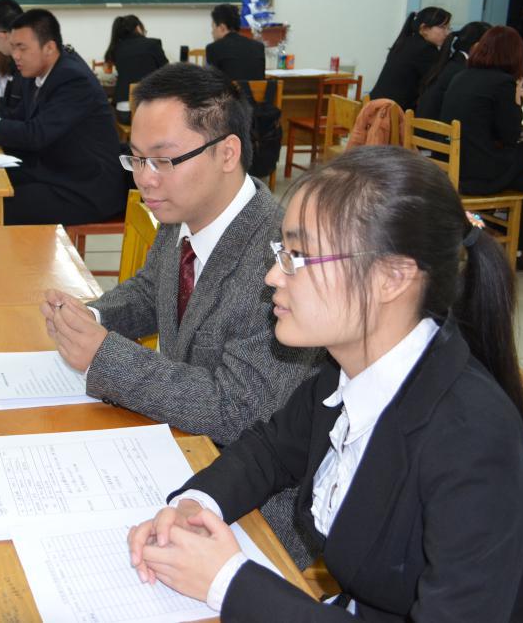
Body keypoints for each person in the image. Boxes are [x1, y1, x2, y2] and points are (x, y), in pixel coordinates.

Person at [127, 146, 523, 622]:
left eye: (298, 256)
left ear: (391, 278)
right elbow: (270, 449)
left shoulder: (472, 441)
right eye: (281, 252)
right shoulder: (348, 369)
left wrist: (227, 582)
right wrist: (196, 505)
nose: (273, 276)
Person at [40, 63, 320, 566]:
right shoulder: (182, 213)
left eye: (164, 160)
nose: (145, 179)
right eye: (137, 159)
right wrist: (92, 318)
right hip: (177, 445)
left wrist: (106, 357)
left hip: (255, 499)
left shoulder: (279, 257)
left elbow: (238, 409)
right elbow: (153, 291)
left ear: (227, 153)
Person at [0, 8, 128, 225]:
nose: (15, 55)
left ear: (49, 47)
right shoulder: (38, 71)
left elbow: (36, 134)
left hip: (85, 186)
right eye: (13, 47)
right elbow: (19, 118)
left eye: (22, 48)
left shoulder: (72, 78)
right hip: (54, 169)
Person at [439, 25, 523, 268]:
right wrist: (517, 101)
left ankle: (500, 232)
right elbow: (510, 135)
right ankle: (516, 246)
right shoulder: (503, 83)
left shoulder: (463, 75)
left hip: (453, 167)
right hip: (477, 175)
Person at [369, 6, 452, 112]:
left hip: (376, 106)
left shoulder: (406, 42)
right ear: (424, 29)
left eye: (448, 28)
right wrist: (447, 50)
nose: (447, 33)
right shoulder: (426, 49)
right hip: (393, 113)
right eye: (442, 27)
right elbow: (438, 82)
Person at [415, 20, 491, 119]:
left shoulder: (450, 63)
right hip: (438, 127)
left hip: (423, 126)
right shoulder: (463, 71)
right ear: (477, 46)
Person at [105, 14, 169, 123]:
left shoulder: (116, 48)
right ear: (138, 27)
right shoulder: (153, 44)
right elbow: (167, 72)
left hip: (124, 113)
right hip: (151, 113)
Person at [204, 4, 265, 81]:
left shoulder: (213, 48)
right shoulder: (258, 47)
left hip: (230, 89)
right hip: (255, 89)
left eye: (213, 27)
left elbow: (210, 82)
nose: (212, 32)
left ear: (222, 27)